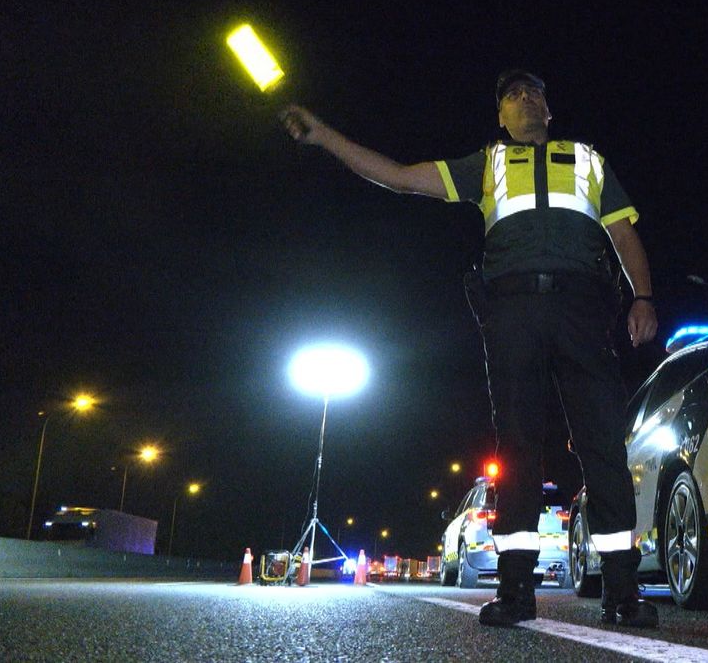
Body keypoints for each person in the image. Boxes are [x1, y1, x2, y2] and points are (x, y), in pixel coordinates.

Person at [280, 69, 660, 628]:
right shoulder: (487, 164)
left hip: (582, 308)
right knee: (518, 447)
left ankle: (623, 593)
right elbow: (400, 176)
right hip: (511, 312)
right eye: (512, 95)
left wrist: (643, 296)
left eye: (535, 91)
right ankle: (515, 591)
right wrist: (325, 137)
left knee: (603, 442)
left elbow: (624, 234)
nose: (525, 98)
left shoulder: (586, 160)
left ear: (549, 110)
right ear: (500, 117)